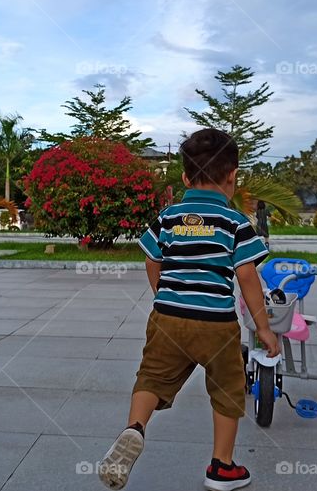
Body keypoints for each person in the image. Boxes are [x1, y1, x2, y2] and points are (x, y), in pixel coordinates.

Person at [98, 128, 279, 491]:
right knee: (228, 389)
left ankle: (134, 428)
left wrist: (163, 294)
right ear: (232, 176)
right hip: (216, 323)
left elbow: (152, 257)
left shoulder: (169, 217)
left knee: (151, 377)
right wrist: (262, 328)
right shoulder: (235, 223)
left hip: (167, 318)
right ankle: (222, 468)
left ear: (184, 177)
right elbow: (247, 277)